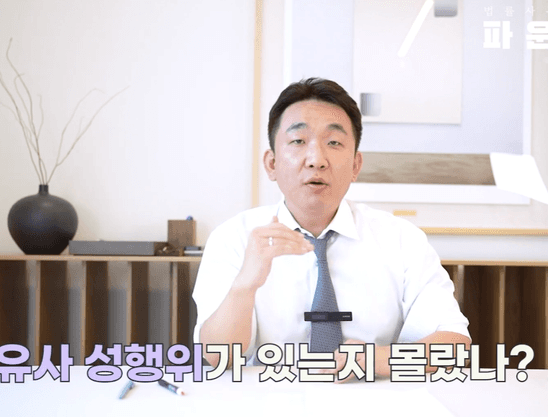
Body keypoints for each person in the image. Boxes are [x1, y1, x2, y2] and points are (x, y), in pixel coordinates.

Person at [193, 77, 470, 378]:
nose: (316, 160)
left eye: (334, 142)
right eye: (298, 141)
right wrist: (245, 285)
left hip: (373, 399)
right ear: (271, 164)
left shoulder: (402, 240)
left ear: (355, 166)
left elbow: (456, 346)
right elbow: (217, 357)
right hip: (269, 400)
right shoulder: (234, 237)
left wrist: (375, 360)